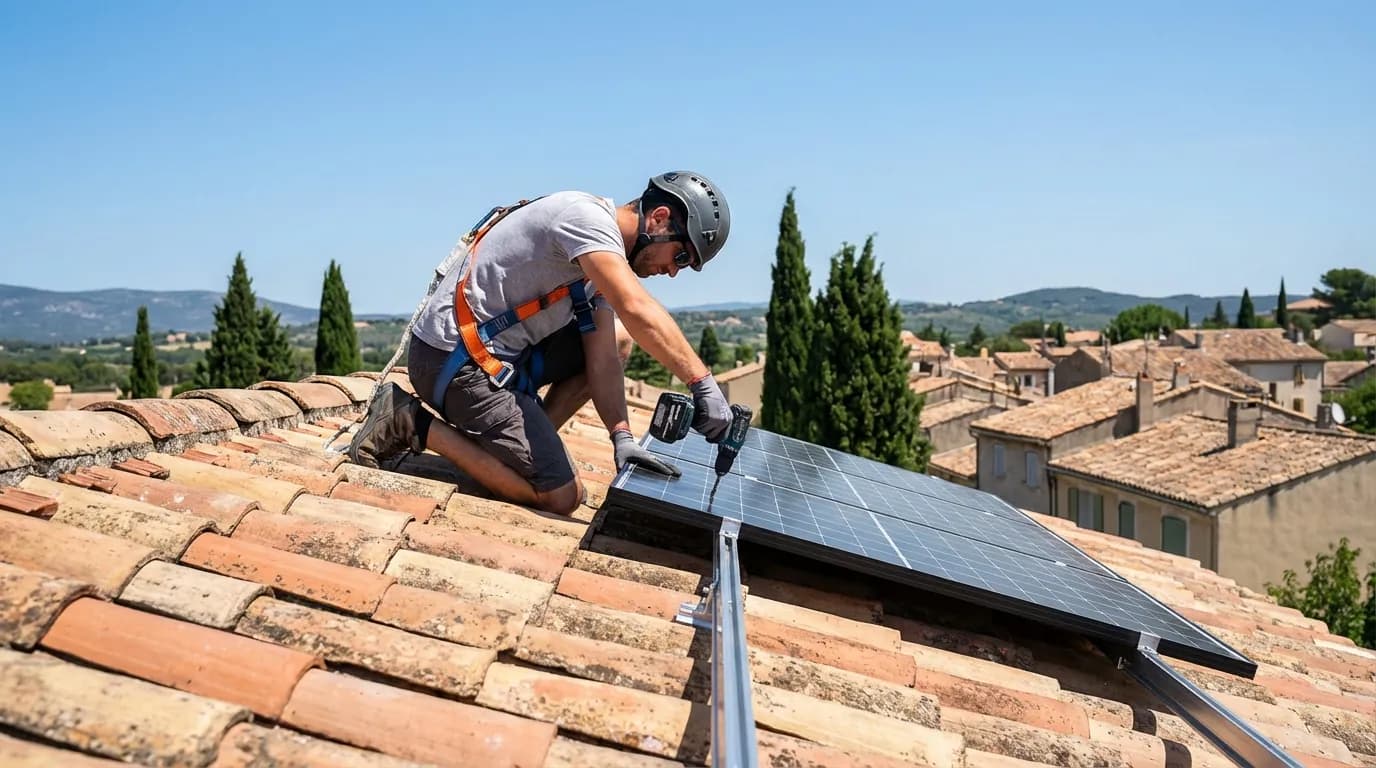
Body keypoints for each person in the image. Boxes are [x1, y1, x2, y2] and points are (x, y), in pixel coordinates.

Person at [347, 171, 736, 515]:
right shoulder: (586, 220)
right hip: (453, 362)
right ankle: (408, 420)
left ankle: (522, 449)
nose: (671, 271)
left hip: (494, 356)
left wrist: (622, 437)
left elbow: (603, 359)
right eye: (681, 256)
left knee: (615, 340)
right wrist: (702, 383)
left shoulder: (599, 258)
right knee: (562, 496)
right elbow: (636, 308)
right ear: (660, 217)